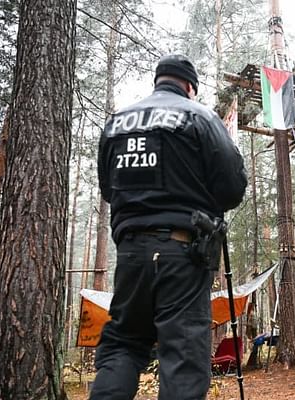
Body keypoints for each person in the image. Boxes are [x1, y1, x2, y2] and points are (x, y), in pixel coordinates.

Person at [91, 54, 248, 399]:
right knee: (184, 355)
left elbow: (108, 188)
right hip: (183, 254)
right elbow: (233, 189)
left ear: (158, 79)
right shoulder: (201, 116)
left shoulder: (117, 121)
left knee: (123, 344)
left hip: (131, 254)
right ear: (190, 86)